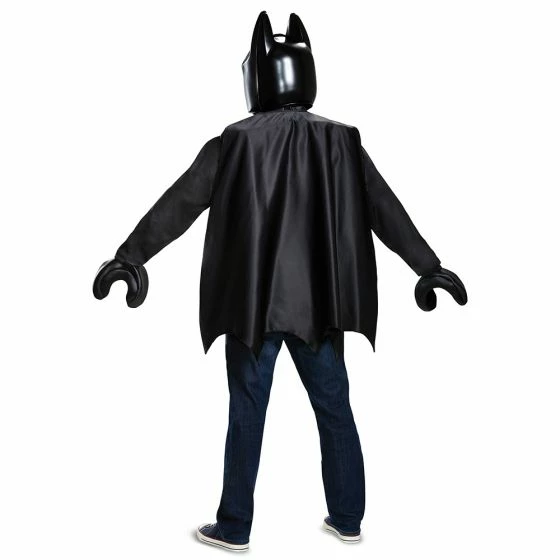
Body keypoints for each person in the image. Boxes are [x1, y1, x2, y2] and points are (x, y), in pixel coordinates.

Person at [93, 11, 467, 553]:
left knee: (247, 411)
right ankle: (348, 518)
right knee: (335, 407)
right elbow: (385, 209)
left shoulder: (233, 143)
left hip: (253, 309)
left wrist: (130, 257)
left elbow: (180, 203)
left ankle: (235, 527)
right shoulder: (342, 141)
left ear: (258, 78)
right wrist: (428, 266)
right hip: (319, 309)